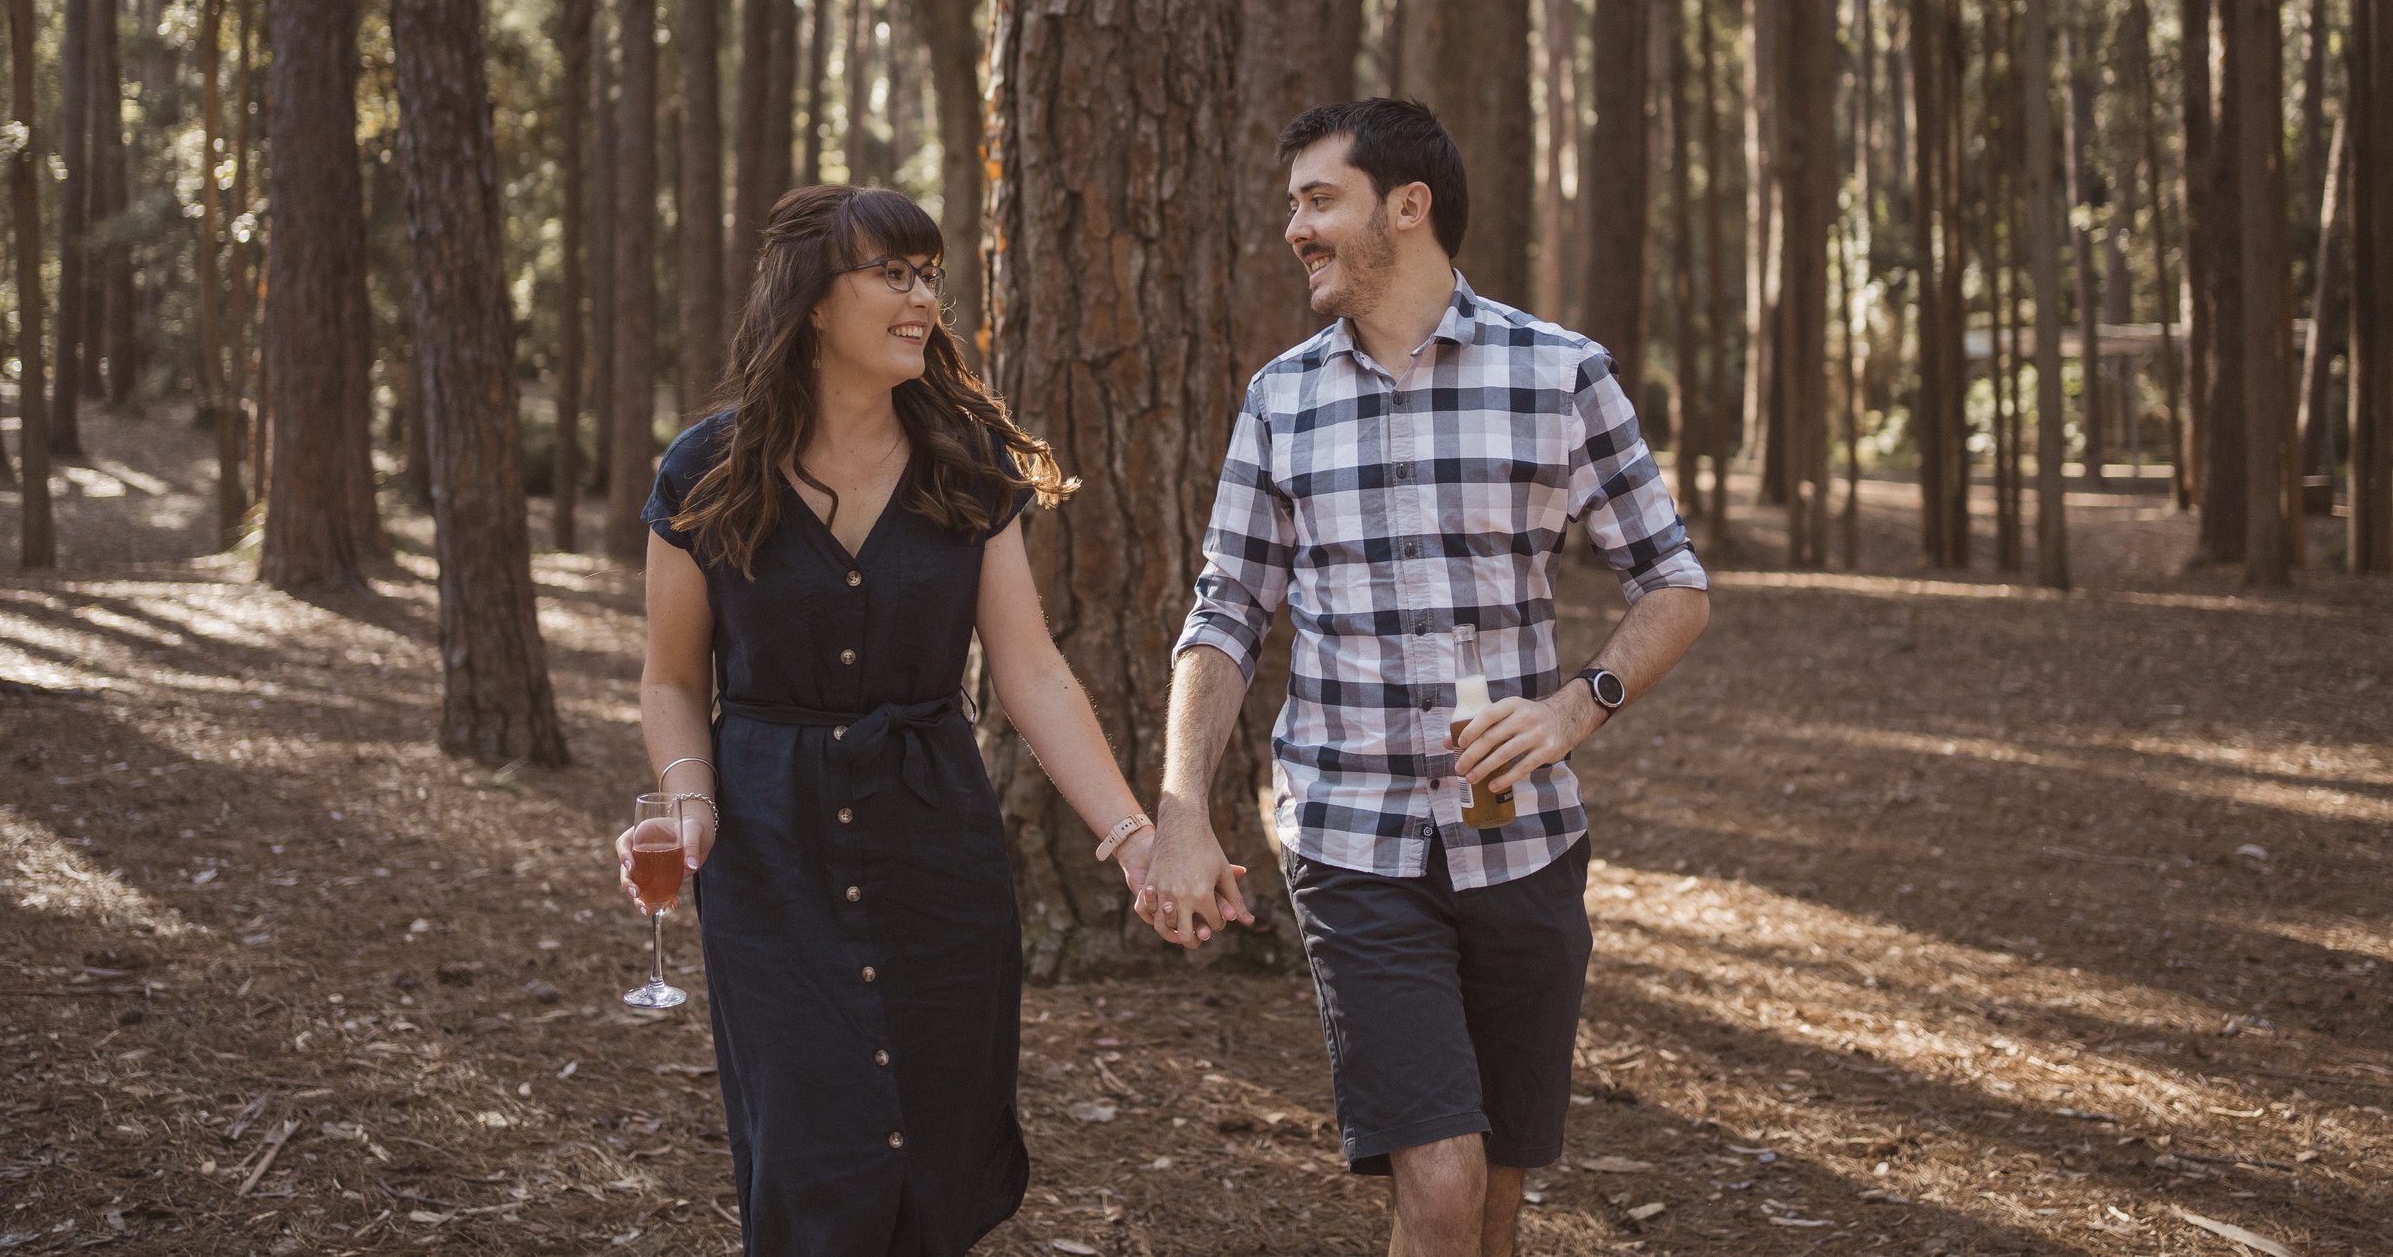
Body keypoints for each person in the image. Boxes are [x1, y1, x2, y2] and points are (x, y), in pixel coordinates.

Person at [1140, 99, 1712, 1257]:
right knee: (1441, 1188)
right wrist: (1180, 805)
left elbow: (1673, 582)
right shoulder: (1280, 398)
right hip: (1352, 842)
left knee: (1493, 1201)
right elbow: (1226, 609)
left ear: (1407, 205)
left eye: (1318, 199)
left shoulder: (1561, 374)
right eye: (1292, 203)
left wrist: (1573, 706)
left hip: (1524, 841)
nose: (1294, 227)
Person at [616, 184, 1163, 1257]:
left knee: (934, 1163)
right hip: (770, 857)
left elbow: (1033, 672)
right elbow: (670, 676)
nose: (922, 298)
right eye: (894, 274)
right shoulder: (704, 470)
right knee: (812, 1157)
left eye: (930, 275)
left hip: (936, 851)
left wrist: (1132, 835)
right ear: (816, 301)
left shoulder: (967, 464)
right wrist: (691, 801)